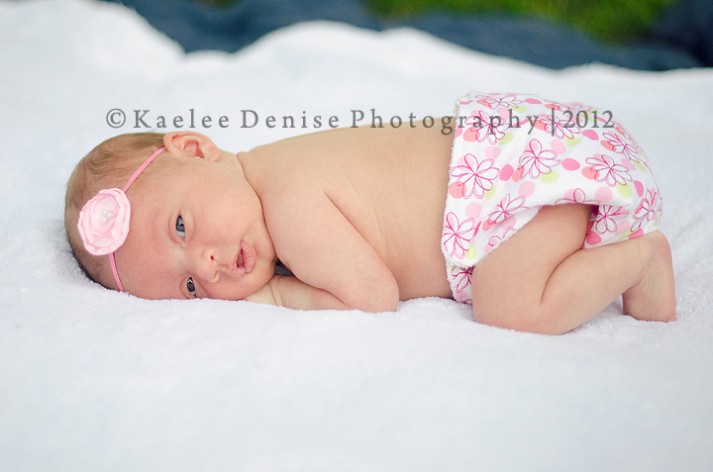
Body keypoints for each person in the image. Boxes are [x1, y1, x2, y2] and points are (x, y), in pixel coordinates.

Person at [64, 91, 676, 334]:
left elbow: (373, 297)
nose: (208, 264)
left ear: (197, 149)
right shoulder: (268, 172)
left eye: (181, 226)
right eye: (191, 288)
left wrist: (276, 297)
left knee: (510, 308)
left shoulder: (288, 202)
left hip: (528, 179)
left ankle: (643, 260)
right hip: (533, 158)